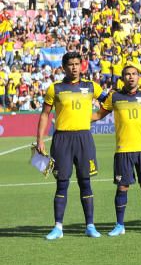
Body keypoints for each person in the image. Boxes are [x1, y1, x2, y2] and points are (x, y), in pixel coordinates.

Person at [93, 65, 141, 236]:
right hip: (123, 150)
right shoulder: (114, 97)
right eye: (127, 74)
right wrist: (77, 118)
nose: (131, 77)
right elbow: (98, 116)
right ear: (122, 78)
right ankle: (120, 225)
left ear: (139, 78)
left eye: (134, 74)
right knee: (122, 187)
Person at [36, 52, 103, 240]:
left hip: (84, 138)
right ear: (64, 67)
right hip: (62, 140)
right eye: (70, 64)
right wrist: (40, 139)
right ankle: (58, 227)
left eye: (77, 64)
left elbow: (109, 101)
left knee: (85, 182)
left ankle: (90, 225)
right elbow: (44, 115)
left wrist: (98, 116)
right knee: (62, 183)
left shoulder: (91, 86)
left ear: (82, 65)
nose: (74, 67)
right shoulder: (55, 89)